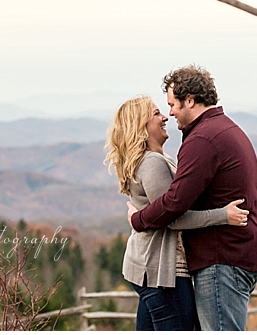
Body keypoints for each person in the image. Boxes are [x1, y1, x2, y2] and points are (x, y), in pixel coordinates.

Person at [129, 66, 257, 331]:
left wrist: (138, 219)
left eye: (172, 105)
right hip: (237, 253)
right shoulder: (224, 129)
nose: (170, 112)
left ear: (189, 100)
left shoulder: (203, 139)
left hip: (221, 258)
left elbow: (173, 204)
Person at [106, 95, 249, 331]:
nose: (164, 117)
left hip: (150, 269)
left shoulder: (155, 159)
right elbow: (173, 218)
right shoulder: (152, 162)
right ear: (140, 124)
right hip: (162, 272)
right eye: (155, 114)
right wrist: (223, 215)